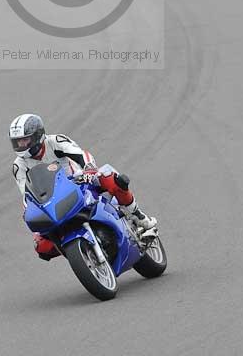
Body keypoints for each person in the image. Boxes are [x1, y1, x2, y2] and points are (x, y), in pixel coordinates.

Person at [9, 112, 157, 261]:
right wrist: (29, 211)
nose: (21, 145)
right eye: (17, 142)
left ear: (37, 135)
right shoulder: (18, 165)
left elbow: (81, 154)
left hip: (79, 181)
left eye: (25, 140)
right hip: (53, 200)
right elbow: (27, 193)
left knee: (110, 178)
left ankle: (138, 216)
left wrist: (89, 169)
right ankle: (81, 253)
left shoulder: (55, 141)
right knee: (41, 246)